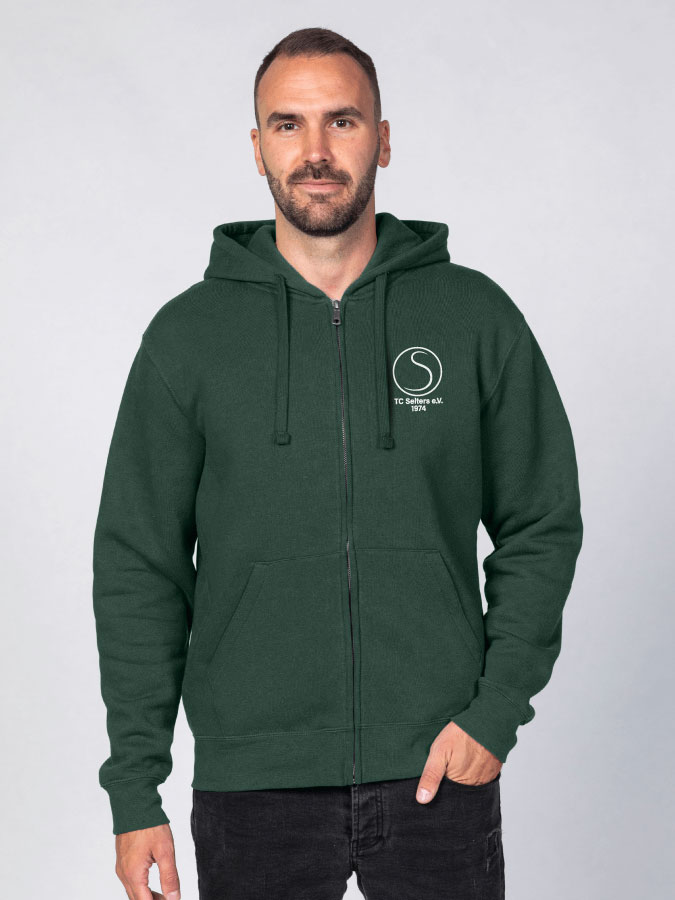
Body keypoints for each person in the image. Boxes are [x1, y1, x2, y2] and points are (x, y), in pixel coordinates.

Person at [92, 26, 583, 900]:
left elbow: (540, 522)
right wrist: (136, 790)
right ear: (257, 148)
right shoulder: (187, 337)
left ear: (382, 139)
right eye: (288, 125)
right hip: (253, 784)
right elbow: (139, 566)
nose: (315, 151)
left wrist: (494, 712)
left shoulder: (473, 317)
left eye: (342, 121)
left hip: (437, 767)